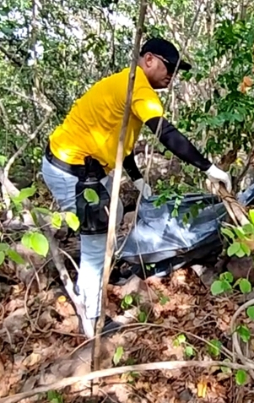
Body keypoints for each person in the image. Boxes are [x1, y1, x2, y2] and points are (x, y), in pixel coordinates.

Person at [42, 38, 232, 338]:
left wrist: (139, 180)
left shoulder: (126, 84)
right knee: (95, 245)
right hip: (72, 171)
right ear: (149, 59)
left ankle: (99, 272)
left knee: (115, 213)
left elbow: (121, 141)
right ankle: (91, 320)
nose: (173, 75)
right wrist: (209, 168)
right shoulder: (138, 86)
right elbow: (165, 132)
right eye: (170, 67)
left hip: (90, 168)